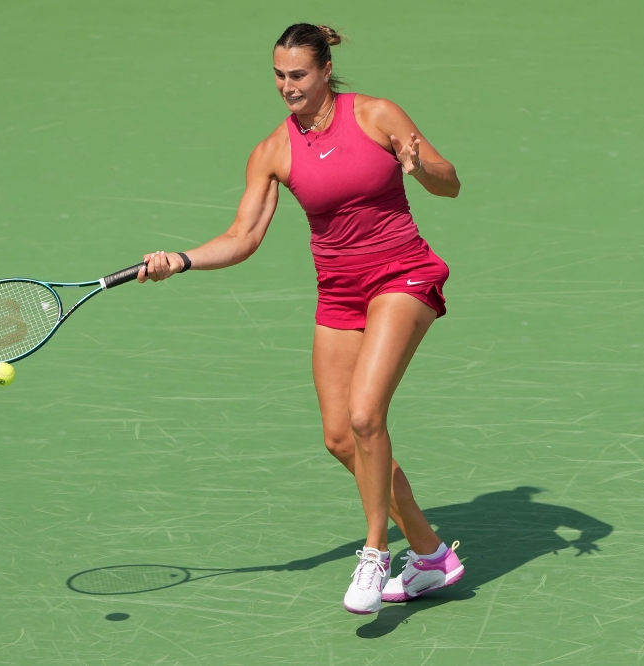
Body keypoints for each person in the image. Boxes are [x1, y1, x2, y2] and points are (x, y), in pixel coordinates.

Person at [139, 23, 463, 615]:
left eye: (298, 75)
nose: (287, 86)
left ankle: (374, 551)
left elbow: (452, 184)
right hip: (339, 294)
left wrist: (418, 167)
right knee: (341, 437)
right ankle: (431, 556)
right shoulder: (273, 151)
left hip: (403, 275)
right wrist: (180, 261)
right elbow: (242, 237)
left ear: (324, 72)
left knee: (367, 415)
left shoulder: (377, 115)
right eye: (279, 76)